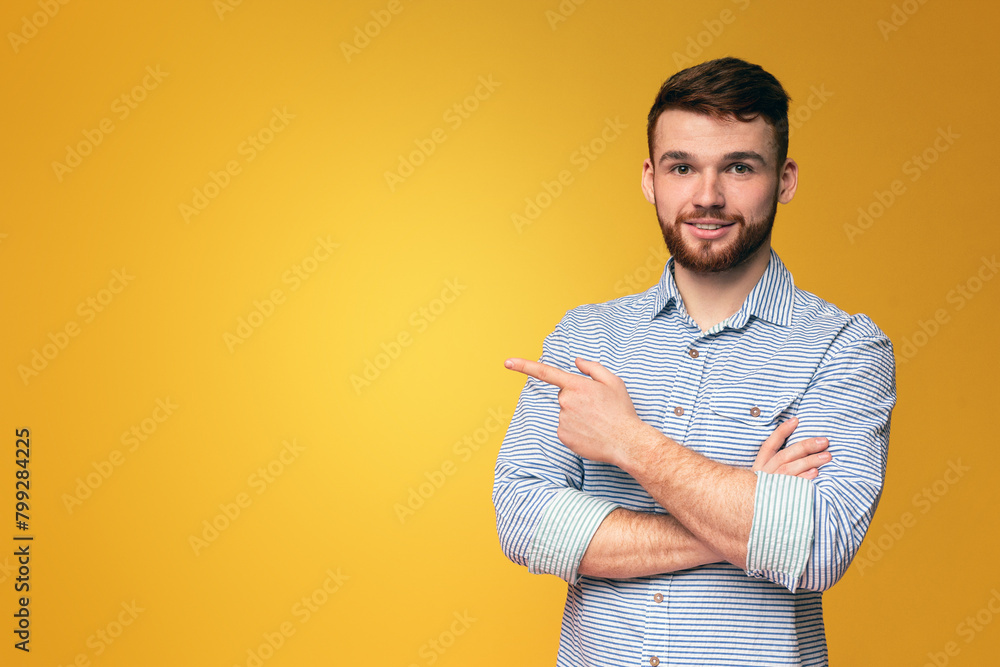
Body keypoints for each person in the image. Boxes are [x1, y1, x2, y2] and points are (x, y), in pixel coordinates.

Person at [492, 57, 896, 666]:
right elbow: (526, 524)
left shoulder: (845, 347)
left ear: (784, 180)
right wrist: (749, 520)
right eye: (683, 167)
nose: (707, 197)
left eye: (739, 167)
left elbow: (816, 547)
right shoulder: (587, 337)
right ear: (652, 178)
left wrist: (625, 439)